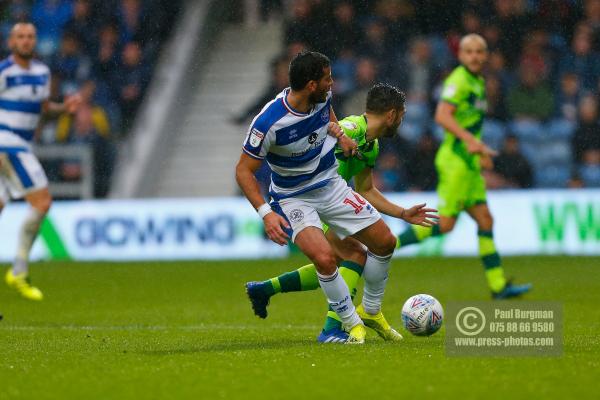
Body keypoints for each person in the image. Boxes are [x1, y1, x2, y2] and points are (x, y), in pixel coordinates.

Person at [245, 83, 438, 343]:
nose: (401, 122)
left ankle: (265, 289)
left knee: (337, 260)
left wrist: (402, 213)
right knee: (352, 254)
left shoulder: (371, 145)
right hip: (308, 199)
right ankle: (336, 326)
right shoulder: (351, 129)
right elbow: (322, 135)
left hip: (333, 204)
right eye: (402, 116)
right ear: (392, 115)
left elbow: (366, 189)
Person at [395, 34, 532, 299]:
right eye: (469, 51)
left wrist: (478, 152)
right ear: (461, 55)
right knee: (445, 225)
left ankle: (498, 286)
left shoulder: (478, 82)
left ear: (486, 55)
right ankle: (385, 245)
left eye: (479, 51)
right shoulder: (458, 81)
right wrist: (470, 142)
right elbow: (442, 116)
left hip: (468, 164)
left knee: (485, 219)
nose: (475, 56)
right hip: (455, 163)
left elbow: (467, 122)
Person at [1, 23, 80, 300]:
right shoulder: (4, 73)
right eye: (20, 37)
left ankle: (18, 272)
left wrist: (64, 109)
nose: (26, 41)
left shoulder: (42, 73)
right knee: (42, 201)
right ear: (11, 42)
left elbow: (44, 111)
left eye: (30, 36)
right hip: (6, 143)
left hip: (20, 144)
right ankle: (19, 270)